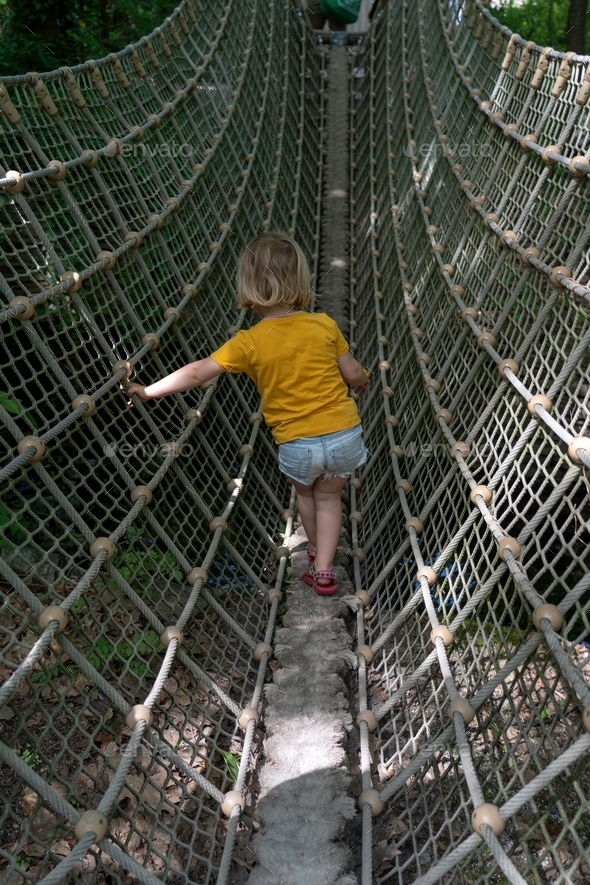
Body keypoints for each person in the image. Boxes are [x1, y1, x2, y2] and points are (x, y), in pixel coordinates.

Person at [127, 232, 370, 595]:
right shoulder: (323, 324)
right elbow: (352, 373)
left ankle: (316, 553)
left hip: (297, 444)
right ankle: (324, 571)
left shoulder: (248, 341)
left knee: (307, 496)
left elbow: (197, 372)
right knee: (330, 497)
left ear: (249, 287)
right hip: (343, 436)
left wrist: (148, 390)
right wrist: (362, 381)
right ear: (300, 281)